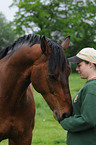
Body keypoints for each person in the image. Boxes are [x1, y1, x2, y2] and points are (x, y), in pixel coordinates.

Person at [55, 47, 96, 145]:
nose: (77, 69)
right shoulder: (90, 85)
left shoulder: (92, 88)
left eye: (79, 65)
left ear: (90, 64)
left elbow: (88, 120)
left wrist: (64, 121)